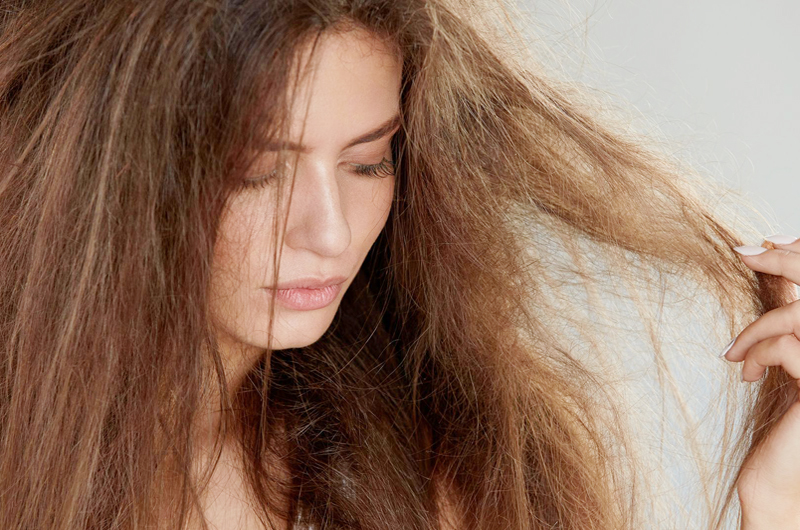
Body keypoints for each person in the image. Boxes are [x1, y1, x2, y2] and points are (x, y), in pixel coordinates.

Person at [0, 0, 796, 528]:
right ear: (104, 184)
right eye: (254, 173)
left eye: (369, 162)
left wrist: (777, 503)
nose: (331, 232)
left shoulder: (424, 471)